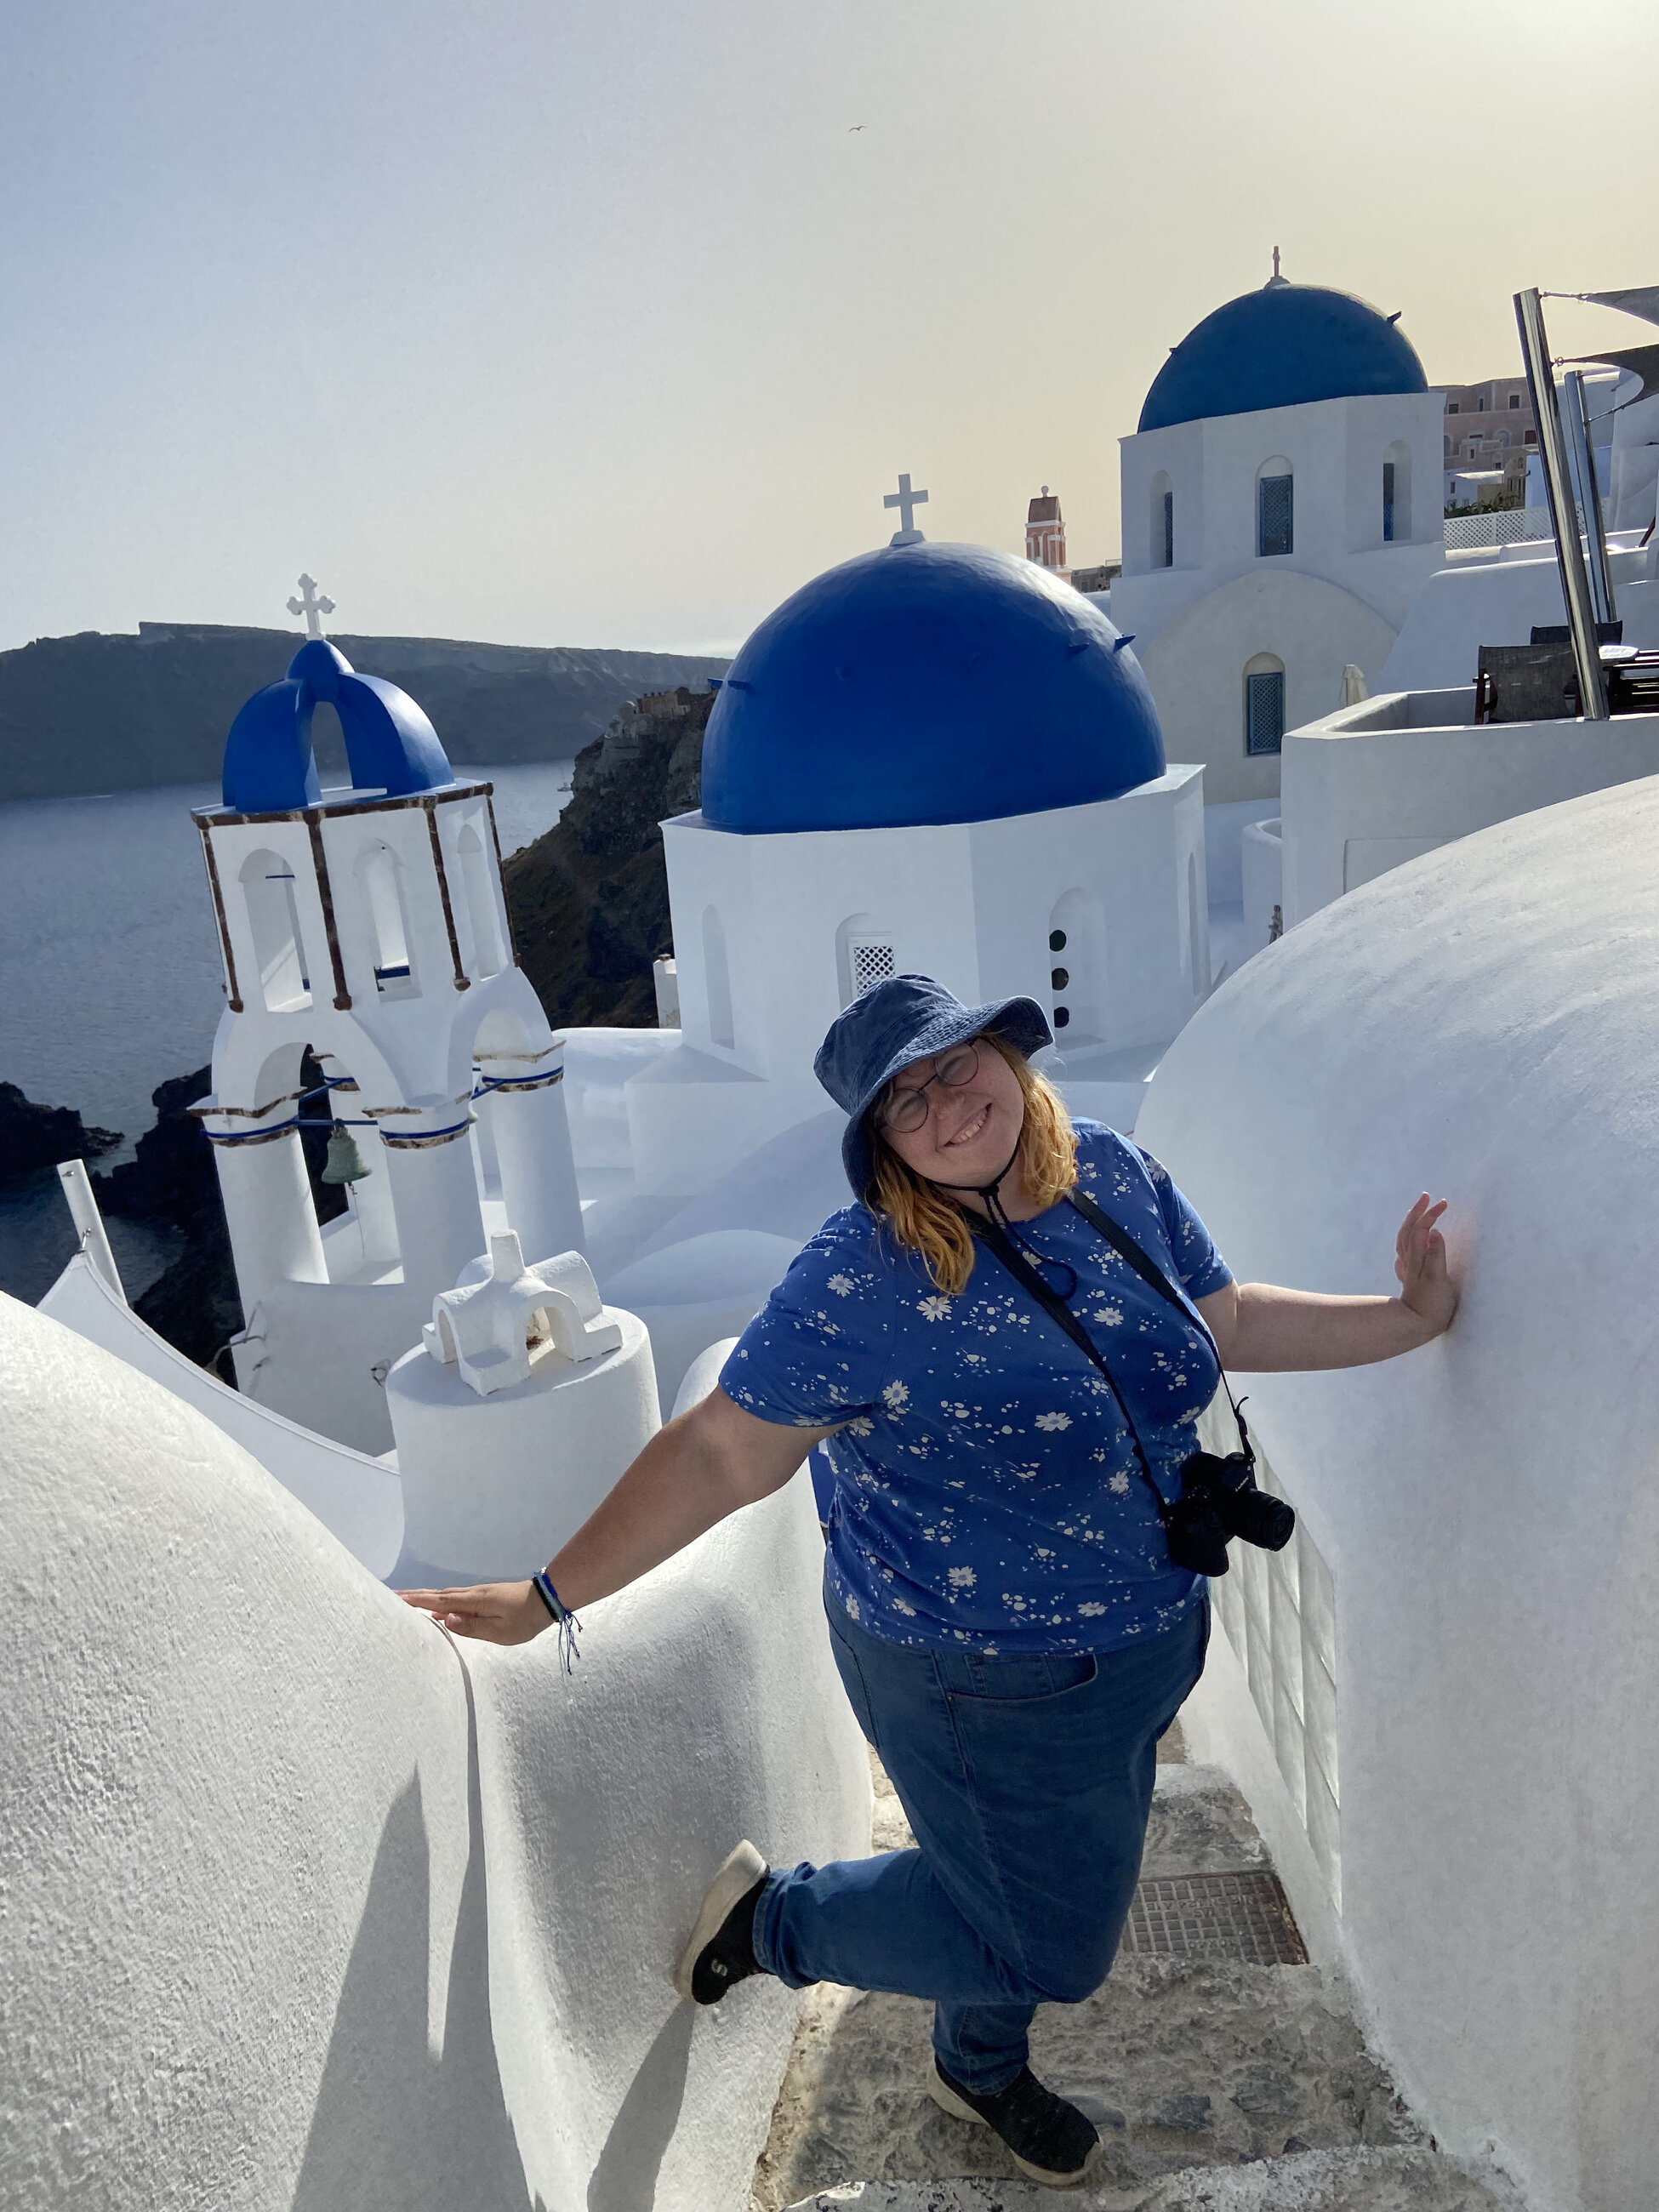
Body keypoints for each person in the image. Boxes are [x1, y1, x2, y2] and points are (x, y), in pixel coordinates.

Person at [402, 976, 1456, 2188]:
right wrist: (546, 1599)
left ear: (1008, 1055)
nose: (947, 1106)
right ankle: (777, 1923)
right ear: (879, 1145)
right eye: (905, 1102)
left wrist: (1403, 1318)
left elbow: (1221, 1319)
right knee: (1054, 1947)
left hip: (1152, 1625)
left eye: (956, 1064)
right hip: (975, 1673)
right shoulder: (860, 1281)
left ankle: (978, 2064)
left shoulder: (1108, 1173)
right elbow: (717, 1450)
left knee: (1029, 1893)